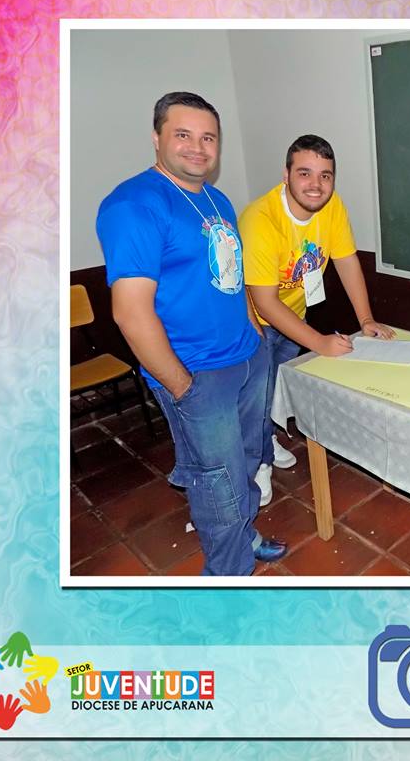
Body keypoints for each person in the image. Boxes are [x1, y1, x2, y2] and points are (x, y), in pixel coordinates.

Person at [97, 91, 287, 576]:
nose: (198, 148)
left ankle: (245, 537)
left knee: (248, 461)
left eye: (208, 138)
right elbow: (130, 313)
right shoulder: (134, 205)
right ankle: (227, 576)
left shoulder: (216, 200)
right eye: (183, 135)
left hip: (247, 357)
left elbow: (230, 279)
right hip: (197, 373)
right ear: (156, 136)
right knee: (218, 483)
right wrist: (182, 386)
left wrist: (254, 338)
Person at [239, 134, 393, 502]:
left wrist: (366, 319)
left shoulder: (332, 206)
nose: (316, 185)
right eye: (305, 173)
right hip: (252, 322)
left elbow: (346, 261)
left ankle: (266, 439)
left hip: (293, 314)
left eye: (325, 175)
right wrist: (319, 342)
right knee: (255, 396)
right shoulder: (260, 219)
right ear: (286, 175)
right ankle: (256, 464)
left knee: (275, 388)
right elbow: (264, 302)